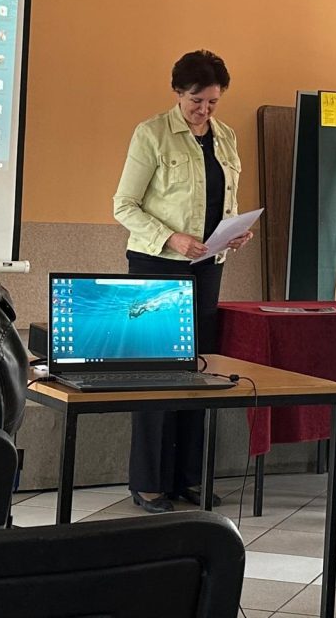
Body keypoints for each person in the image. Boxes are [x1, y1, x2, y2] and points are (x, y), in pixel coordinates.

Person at [113, 49, 252, 513]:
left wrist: (235, 232)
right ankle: (149, 482)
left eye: (212, 102)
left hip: (207, 267)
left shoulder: (226, 137)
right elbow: (124, 205)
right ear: (178, 92)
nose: (204, 111)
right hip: (157, 266)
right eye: (196, 101)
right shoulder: (151, 133)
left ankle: (188, 477)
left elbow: (224, 202)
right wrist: (171, 237)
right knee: (156, 374)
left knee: (197, 371)